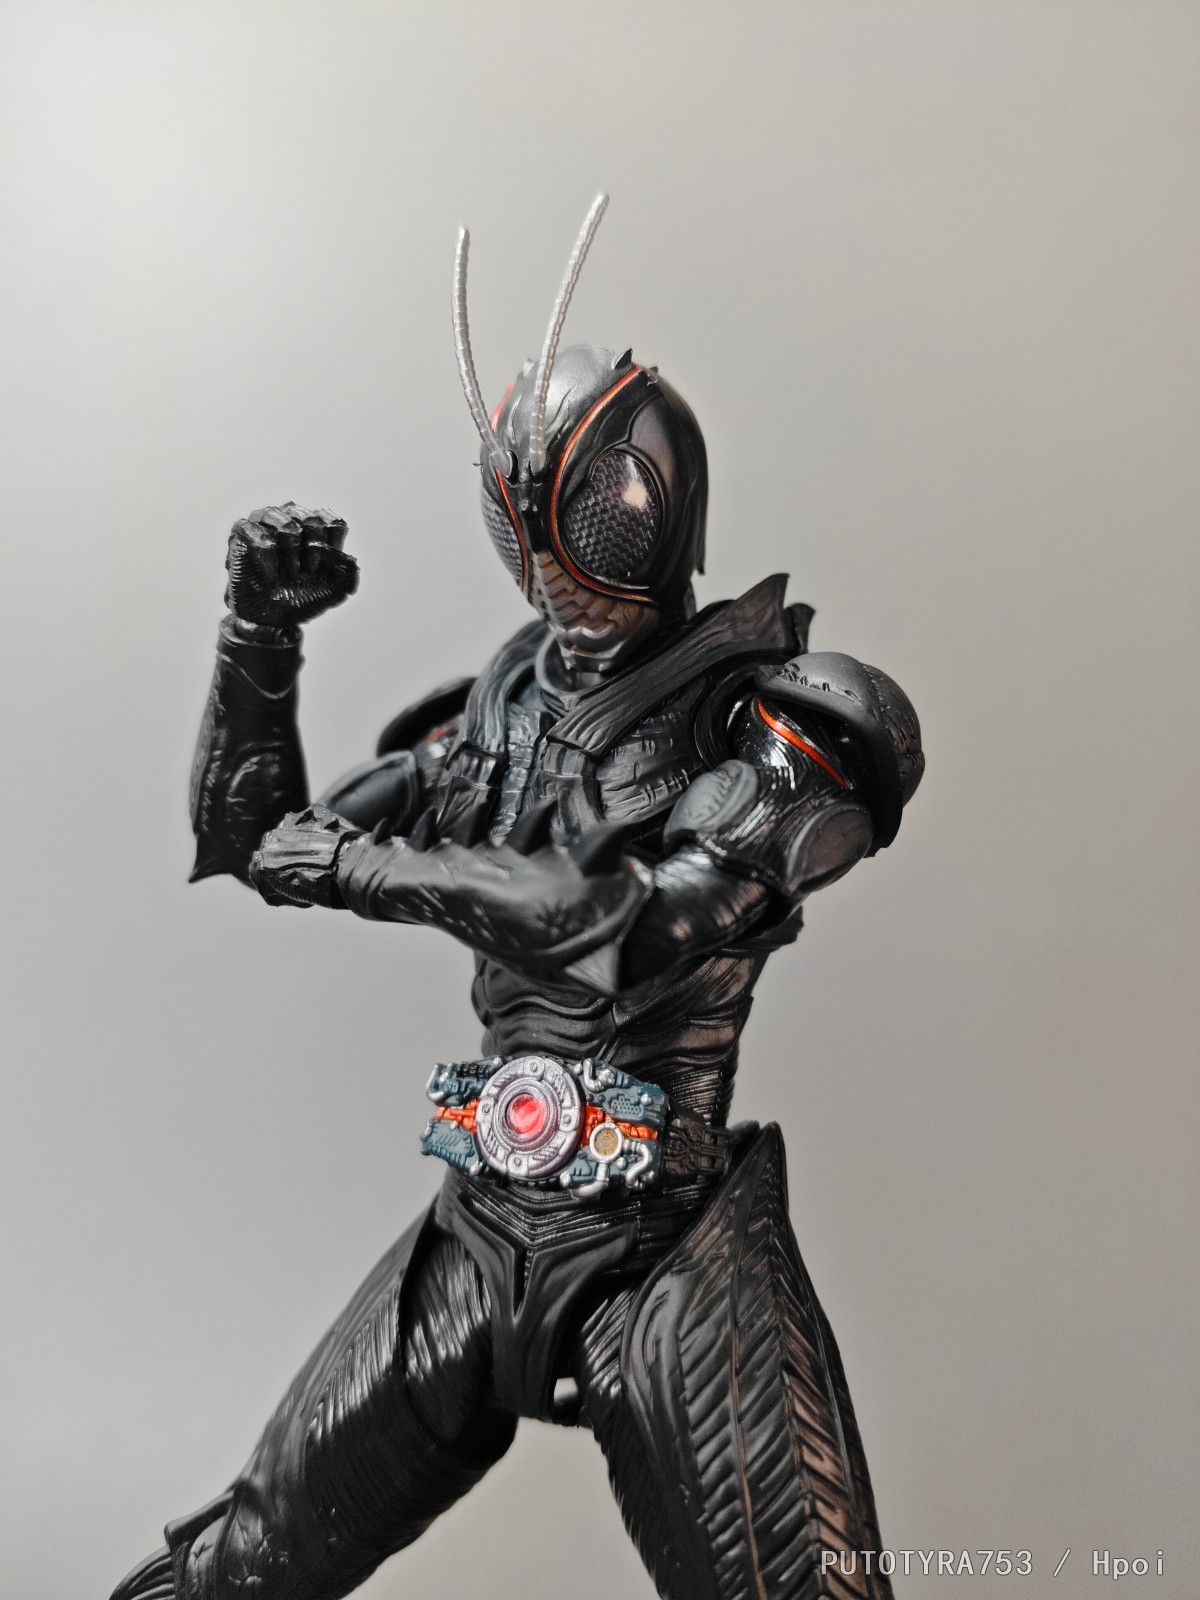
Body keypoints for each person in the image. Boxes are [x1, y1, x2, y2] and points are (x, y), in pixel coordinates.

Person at [112, 197, 922, 1600]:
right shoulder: (497, 709)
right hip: (482, 1228)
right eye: (526, 516)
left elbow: (638, 927)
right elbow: (253, 839)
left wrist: (371, 867)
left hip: (660, 1254)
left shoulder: (770, 726)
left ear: (651, 507)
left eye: (585, 514)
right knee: (240, 1568)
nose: (553, 560)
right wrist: (257, 641)